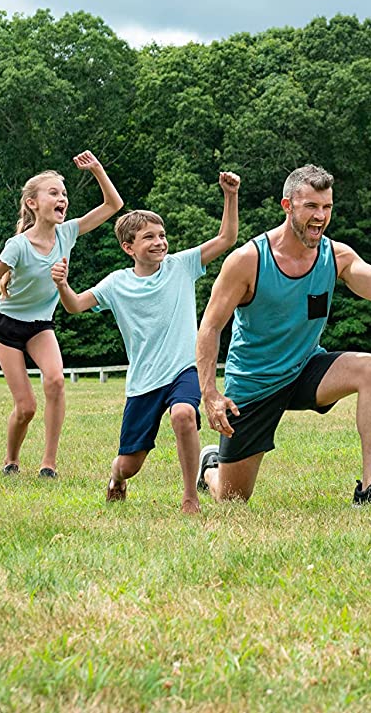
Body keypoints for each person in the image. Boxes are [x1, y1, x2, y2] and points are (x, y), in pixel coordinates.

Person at [195, 164, 371, 508]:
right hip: (256, 384)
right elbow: (210, 327)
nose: (320, 216)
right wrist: (210, 393)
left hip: (306, 368)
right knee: (233, 497)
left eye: (327, 207)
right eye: (311, 207)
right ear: (287, 206)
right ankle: (211, 468)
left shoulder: (336, 256)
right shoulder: (248, 260)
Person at [51, 171, 241, 513]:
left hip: (184, 368)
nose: (159, 242)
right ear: (128, 247)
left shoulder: (181, 266)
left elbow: (227, 237)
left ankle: (189, 497)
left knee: (184, 414)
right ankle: (116, 478)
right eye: (148, 237)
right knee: (130, 464)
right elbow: (76, 306)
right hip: (143, 382)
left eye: (162, 235)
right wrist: (63, 285)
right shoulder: (115, 284)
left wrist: (230, 195)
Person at [0, 151, 123, 479]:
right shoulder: (18, 246)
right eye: (53, 192)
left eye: (64, 194)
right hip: (7, 327)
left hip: (41, 325)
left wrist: (97, 170)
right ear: (32, 203)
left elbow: (113, 206)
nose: (61, 198)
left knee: (55, 381)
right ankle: (11, 460)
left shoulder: (66, 234)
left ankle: (48, 464)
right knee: (26, 408)